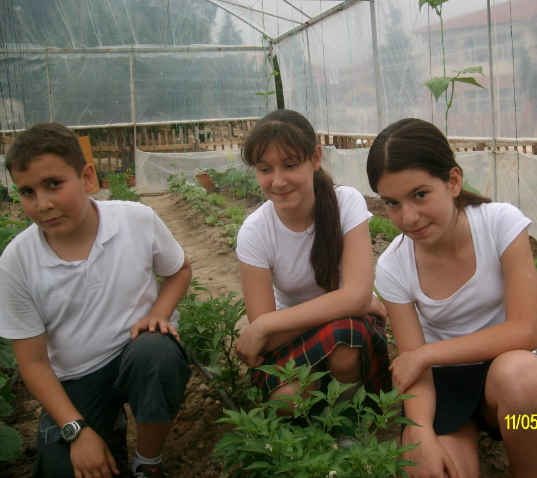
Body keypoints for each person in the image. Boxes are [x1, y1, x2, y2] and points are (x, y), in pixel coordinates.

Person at [0, 123, 193, 478]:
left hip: (136, 352)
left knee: (157, 354)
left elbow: (178, 269)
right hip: (75, 378)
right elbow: (34, 363)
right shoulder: (17, 262)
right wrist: (76, 431)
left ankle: (147, 462)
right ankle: (106, 425)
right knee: (64, 471)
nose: (43, 204)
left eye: (54, 184)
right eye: (27, 192)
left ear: (87, 177)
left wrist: (158, 314)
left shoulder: (135, 220)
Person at [367, 118, 537, 478]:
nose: (409, 217)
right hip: (441, 387)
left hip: (502, 382)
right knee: (437, 470)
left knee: (527, 376)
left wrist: (426, 354)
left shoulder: (500, 225)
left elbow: (525, 332)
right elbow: (414, 371)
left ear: (453, 181)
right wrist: (418, 430)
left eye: (420, 194)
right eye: (392, 202)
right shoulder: (393, 266)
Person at [235, 109, 391, 414]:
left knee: (344, 347)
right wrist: (350, 301)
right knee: (288, 398)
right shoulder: (255, 232)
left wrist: (267, 323)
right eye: (265, 169)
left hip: (345, 328)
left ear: (315, 158)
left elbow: (264, 327)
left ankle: (349, 420)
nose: (278, 181)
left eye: (290, 165)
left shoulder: (346, 203)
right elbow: (265, 343)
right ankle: (316, 435)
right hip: (292, 335)